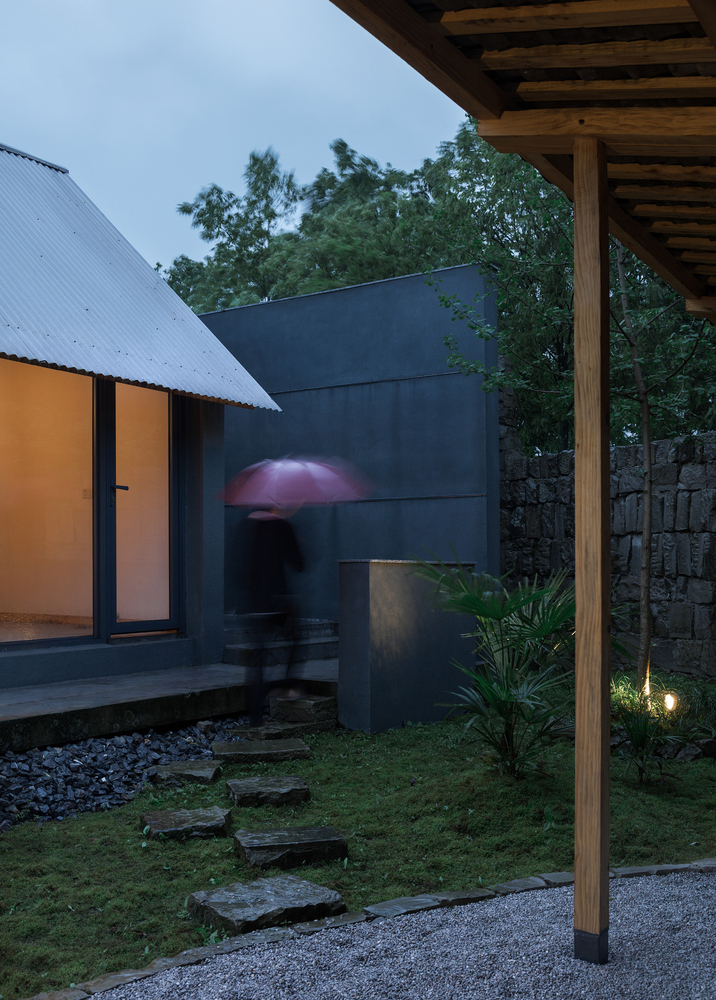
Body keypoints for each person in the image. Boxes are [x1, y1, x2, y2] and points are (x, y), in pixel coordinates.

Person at [245, 507, 304, 726]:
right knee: (296, 639)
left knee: (258, 659)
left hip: (255, 602)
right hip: (278, 600)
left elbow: (241, 566)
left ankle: (255, 717)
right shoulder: (284, 527)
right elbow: (298, 564)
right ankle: (287, 685)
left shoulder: (248, 527)